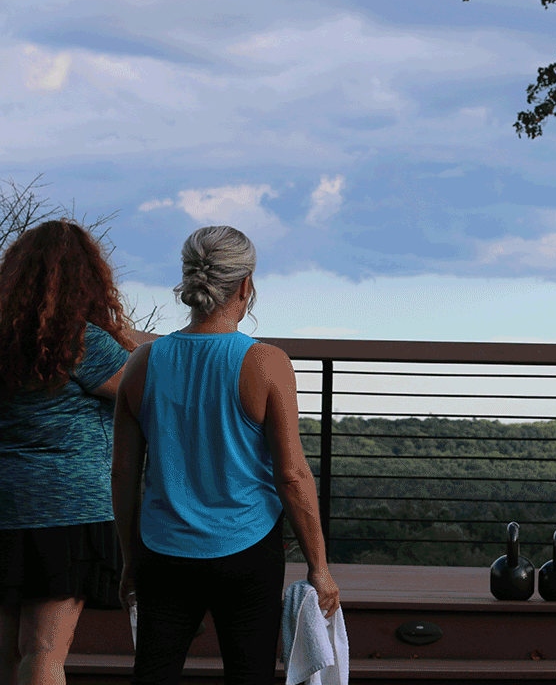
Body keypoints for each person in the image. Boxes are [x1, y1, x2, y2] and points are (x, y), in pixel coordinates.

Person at [111, 225, 339, 685]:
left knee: (153, 674)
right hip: (247, 549)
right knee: (249, 674)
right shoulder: (267, 363)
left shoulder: (142, 362)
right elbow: (292, 476)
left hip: (162, 549)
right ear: (245, 285)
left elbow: (123, 473)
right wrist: (319, 567)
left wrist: (130, 560)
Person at [0, 220, 135, 685]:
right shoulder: (82, 341)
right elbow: (150, 395)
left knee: (8, 652)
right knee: (44, 651)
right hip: (65, 510)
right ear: (89, 280)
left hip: (6, 504)